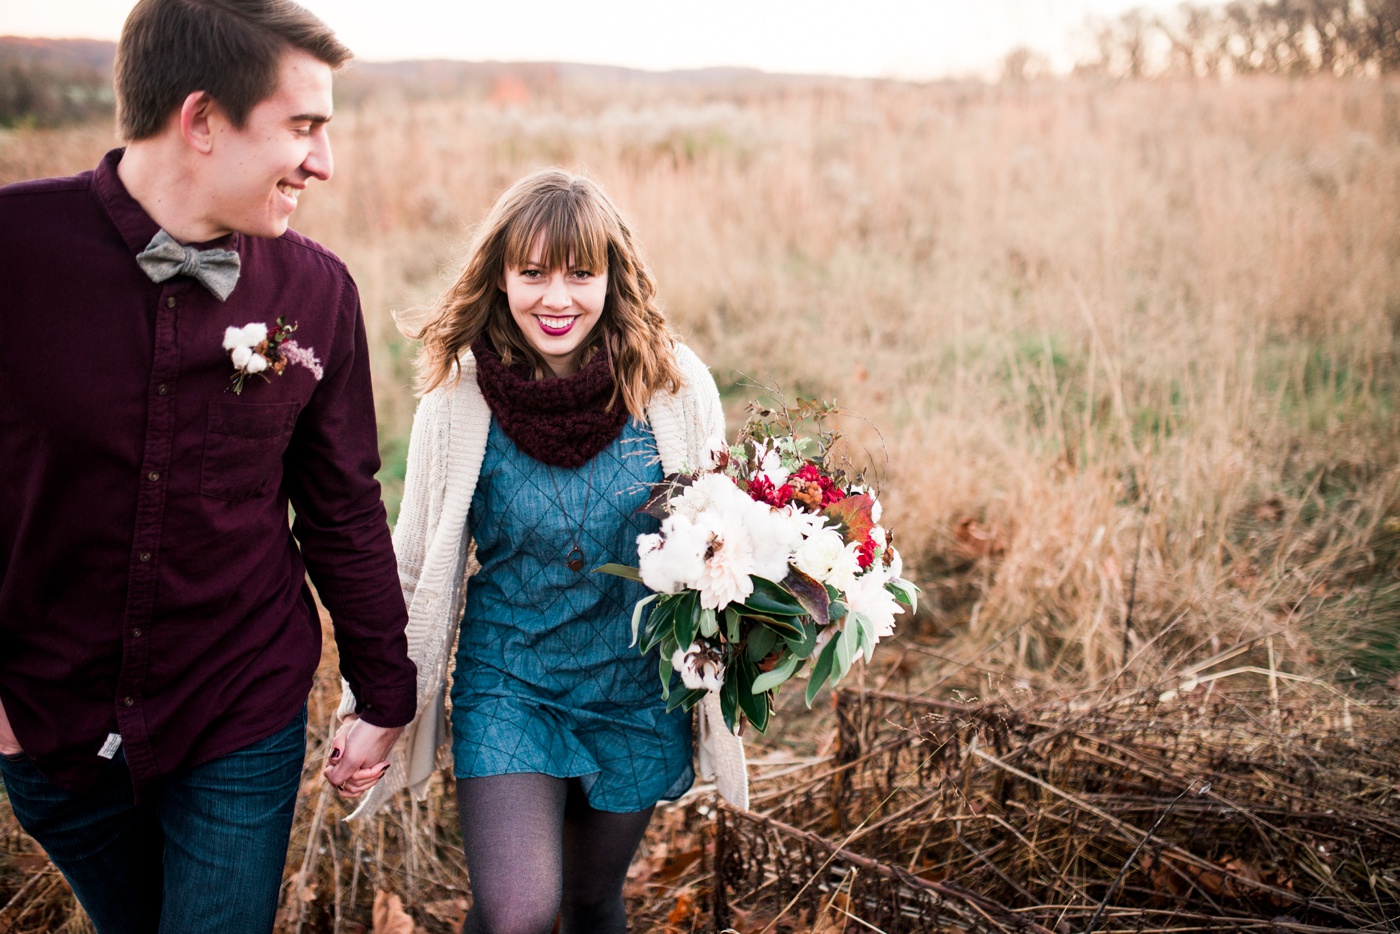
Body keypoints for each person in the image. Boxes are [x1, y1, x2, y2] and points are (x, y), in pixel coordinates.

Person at [0, 1, 414, 931]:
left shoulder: (316, 290)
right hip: (47, 721)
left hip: (241, 706)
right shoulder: (12, 253)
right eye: (303, 127)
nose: (324, 161)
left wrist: (386, 690)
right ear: (201, 121)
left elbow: (343, 507)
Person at [338, 168, 748, 934]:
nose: (555, 299)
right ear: (500, 276)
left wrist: (777, 611)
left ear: (611, 278)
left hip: (634, 690)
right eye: (532, 273)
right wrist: (368, 704)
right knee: (518, 913)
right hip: (511, 680)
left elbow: (720, 537)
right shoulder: (459, 398)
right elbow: (415, 561)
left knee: (591, 901)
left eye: (579, 274)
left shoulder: (674, 387)